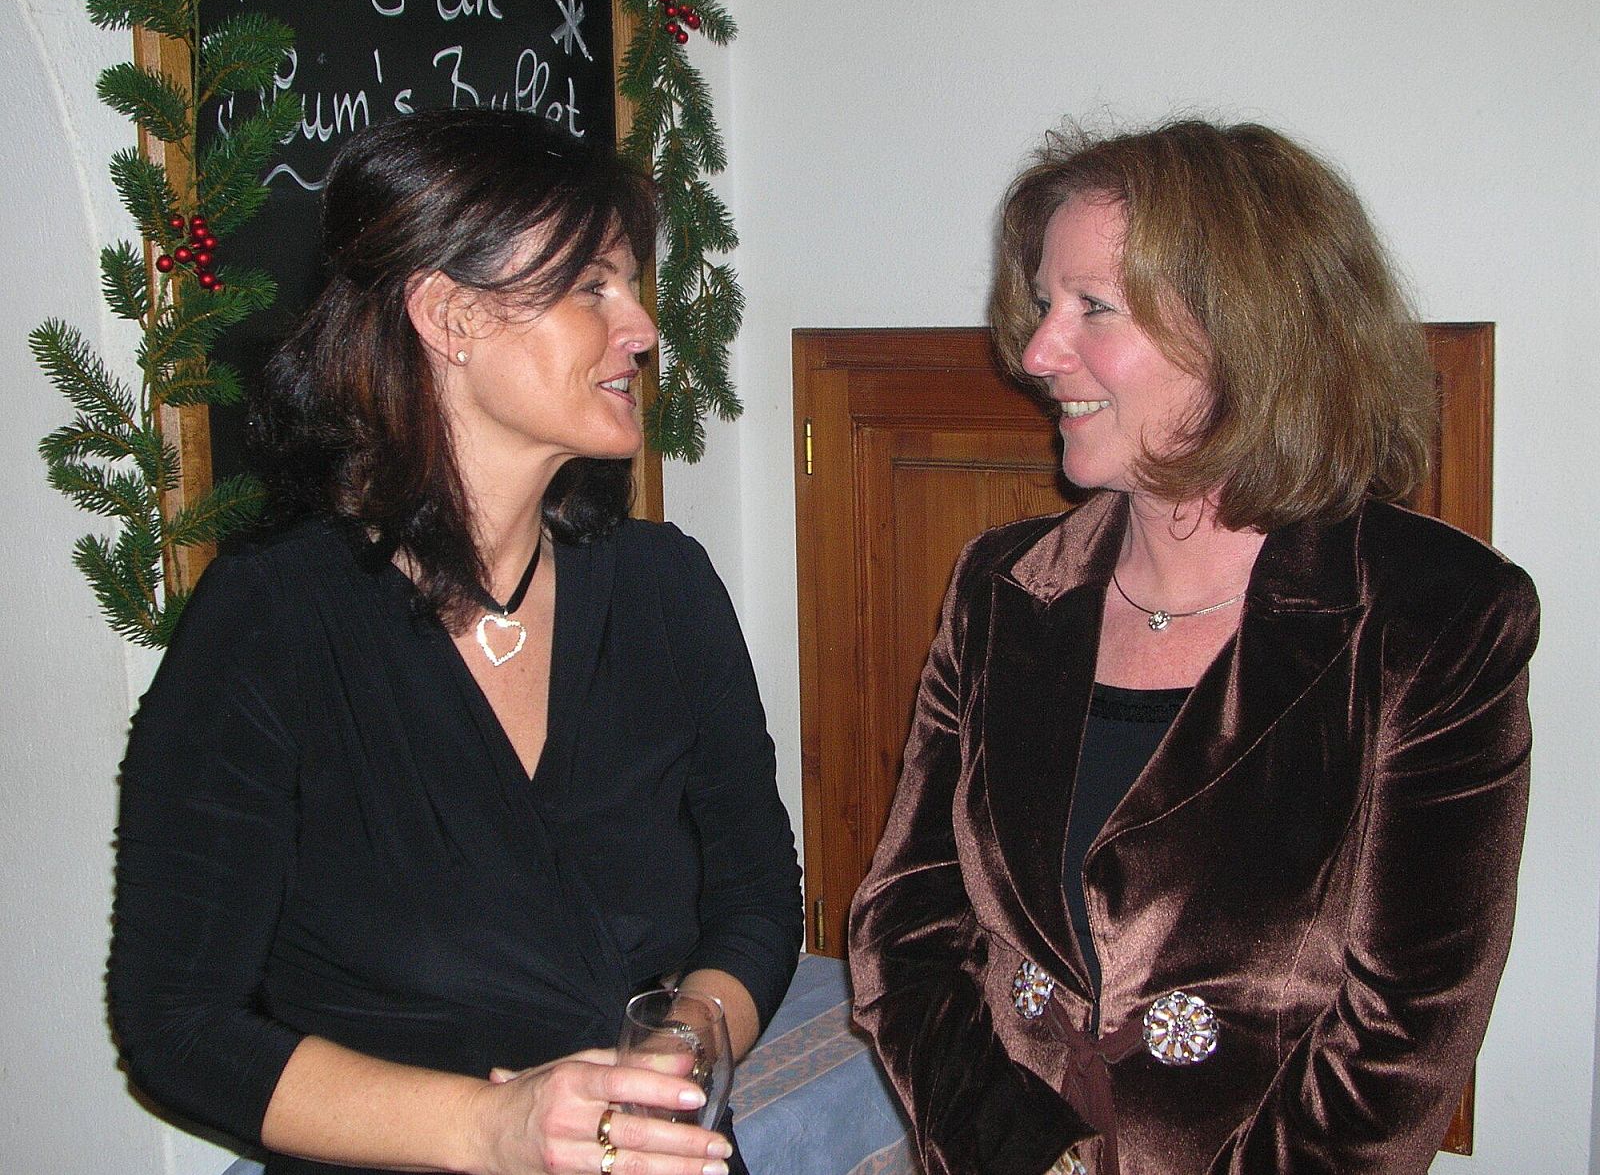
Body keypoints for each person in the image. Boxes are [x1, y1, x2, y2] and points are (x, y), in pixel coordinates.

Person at [108, 108, 802, 1175]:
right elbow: (179, 1023)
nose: (642, 329)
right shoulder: (270, 624)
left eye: (631, 284)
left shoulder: (666, 588)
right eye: (592, 287)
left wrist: (673, 1054)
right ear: (447, 315)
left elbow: (754, 898)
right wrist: (494, 1128)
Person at [848, 119, 1538, 1175]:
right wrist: (1018, 1154)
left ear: (1242, 334)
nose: (1035, 354)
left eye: (1092, 307)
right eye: (1043, 304)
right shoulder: (1003, 590)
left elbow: (1404, 1032)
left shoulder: (1431, 617)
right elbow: (906, 926)